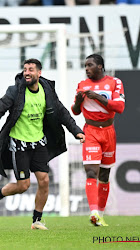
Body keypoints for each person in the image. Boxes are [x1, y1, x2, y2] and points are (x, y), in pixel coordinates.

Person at [0, 58, 85, 230]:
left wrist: (76, 130)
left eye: (31, 69)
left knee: (44, 181)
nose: (27, 72)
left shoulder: (47, 90)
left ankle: (37, 220)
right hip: (19, 145)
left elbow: (62, 112)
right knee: (23, 186)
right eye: (25, 69)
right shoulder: (15, 92)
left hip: (39, 143)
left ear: (39, 73)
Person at [71, 54, 125, 226]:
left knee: (104, 174)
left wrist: (98, 97)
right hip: (91, 132)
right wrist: (78, 102)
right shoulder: (82, 85)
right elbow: (75, 111)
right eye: (85, 65)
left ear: (100, 66)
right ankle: (93, 212)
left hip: (108, 132)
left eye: (90, 65)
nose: (86, 68)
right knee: (91, 172)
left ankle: (100, 216)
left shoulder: (115, 82)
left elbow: (120, 107)